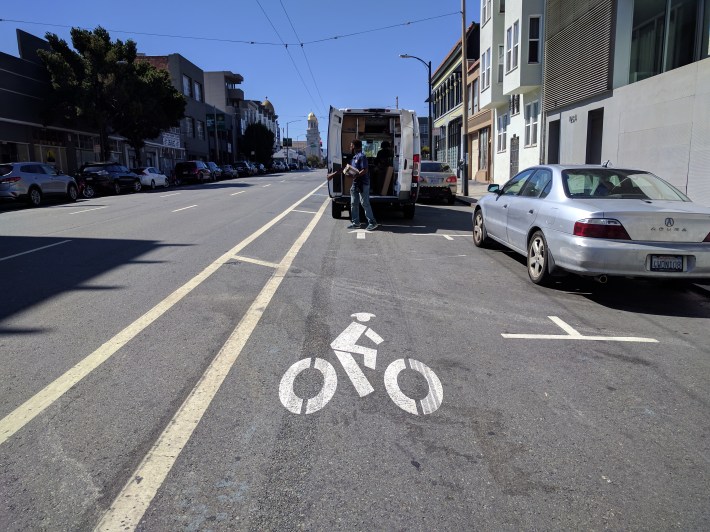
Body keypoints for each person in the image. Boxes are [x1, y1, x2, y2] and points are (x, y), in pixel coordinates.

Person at [327, 139, 378, 231]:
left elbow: (365, 170)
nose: (350, 147)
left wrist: (354, 175)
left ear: (354, 146)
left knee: (364, 203)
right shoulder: (354, 158)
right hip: (355, 184)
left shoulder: (362, 156)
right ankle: (356, 223)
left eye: (351, 145)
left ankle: (372, 222)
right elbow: (345, 168)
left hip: (363, 184)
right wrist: (333, 174)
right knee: (353, 203)